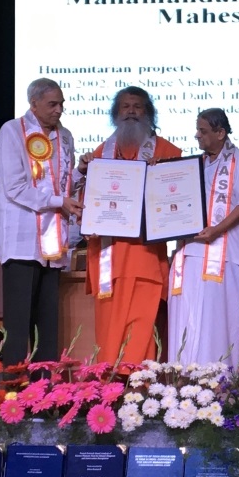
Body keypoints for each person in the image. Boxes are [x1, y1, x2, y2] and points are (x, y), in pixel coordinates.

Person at [77, 86, 181, 364]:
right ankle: (109, 377)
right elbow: (86, 199)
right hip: (109, 255)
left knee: (142, 321)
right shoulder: (101, 153)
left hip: (144, 255)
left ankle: (139, 379)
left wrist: (163, 173)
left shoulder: (167, 151)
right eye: (125, 106)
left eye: (138, 106)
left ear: (149, 113)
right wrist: (84, 172)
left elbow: (178, 199)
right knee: (109, 323)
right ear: (116, 113)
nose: (131, 112)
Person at [0, 78, 84, 365]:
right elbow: (15, 187)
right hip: (22, 239)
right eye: (52, 104)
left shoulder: (65, 136)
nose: (59, 110)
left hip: (53, 241)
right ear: (33, 104)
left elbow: (63, 185)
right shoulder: (12, 131)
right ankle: (14, 382)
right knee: (19, 321)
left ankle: (45, 383)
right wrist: (59, 202)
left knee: (48, 321)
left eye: (61, 104)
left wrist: (81, 172)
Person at [168, 108, 239, 368]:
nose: (197, 135)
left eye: (203, 131)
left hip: (223, 256)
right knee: (186, 317)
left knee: (215, 321)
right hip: (190, 253)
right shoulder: (195, 164)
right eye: (197, 130)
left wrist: (217, 230)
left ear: (220, 133)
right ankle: (184, 377)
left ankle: (218, 379)